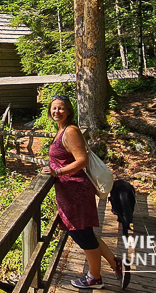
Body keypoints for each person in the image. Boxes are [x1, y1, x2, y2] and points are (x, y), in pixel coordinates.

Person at [41, 95, 124, 289]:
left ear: (69, 111)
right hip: (69, 190)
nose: (56, 112)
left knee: (81, 235)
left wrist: (57, 172)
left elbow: (82, 161)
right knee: (85, 232)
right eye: (53, 108)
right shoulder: (61, 131)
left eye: (61, 108)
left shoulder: (70, 131)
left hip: (76, 190)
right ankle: (115, 263)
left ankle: (95, 277)